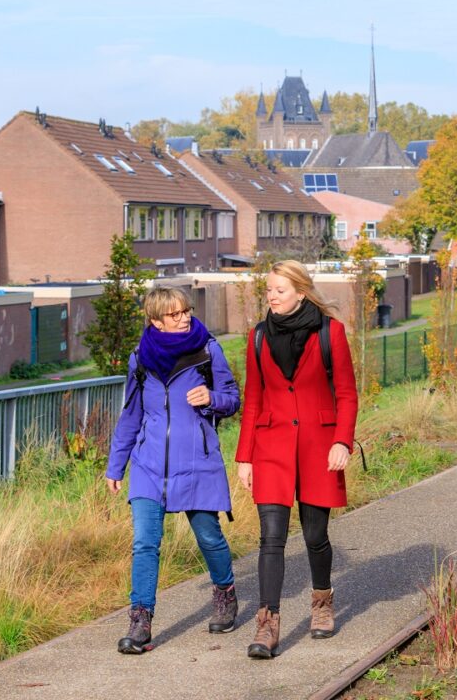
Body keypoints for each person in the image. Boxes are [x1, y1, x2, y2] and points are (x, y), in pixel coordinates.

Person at [106, 286, 241, 655]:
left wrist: (212, 399)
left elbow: (233, 398)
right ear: (155, 321)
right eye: (175, 314)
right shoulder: (140, 359)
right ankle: (140, 620)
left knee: (209, 537)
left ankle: (226, 592)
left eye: (187, 311)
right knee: (145, 543)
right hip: (148, 465)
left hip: (197, 462)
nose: (185, 318)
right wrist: (116, 464)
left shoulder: (207, 350)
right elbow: (131, 415)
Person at [236, 260, 359, 659]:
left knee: (313, 535)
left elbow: (346, 394)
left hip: (318, 448)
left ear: (301, 293)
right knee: (270, 536)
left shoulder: (330, 332)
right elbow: (253, 398)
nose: (271, 296)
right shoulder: (257, 337)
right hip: (270, 447)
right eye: (268, 290)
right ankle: (268, 623)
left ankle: (322, 602)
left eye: (279, 290)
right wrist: (244, 458)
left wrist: (343, 441)